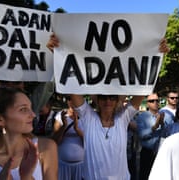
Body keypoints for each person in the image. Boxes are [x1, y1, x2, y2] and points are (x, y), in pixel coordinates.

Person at [47, 33, 169, 179]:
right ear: (97, 100)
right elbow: (72, 85)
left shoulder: (123, 118)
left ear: (117, 100)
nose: (108, 101)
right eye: (103, 97)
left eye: (112, 97)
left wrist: (156, 56)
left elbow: (143, 86)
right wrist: (58, 54)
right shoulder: (88, 116)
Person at [52, 96, 84, 180]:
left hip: (80, 165)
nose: (73, 101)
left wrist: (77, 129)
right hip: (63, 165)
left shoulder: (86, 117)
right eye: (69, 98)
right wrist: (64, 126)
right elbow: (55, 141)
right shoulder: (60, 115)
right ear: (67, 101)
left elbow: (89, 143)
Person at [134, 93, 164, 180]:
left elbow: (166, 134)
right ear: (147, 103)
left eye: (157, 100)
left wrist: (162, 124)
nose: (155, 102)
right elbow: (141, 135)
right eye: (152, 101)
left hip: (161, 152)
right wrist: (155, 126)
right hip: (147, 153)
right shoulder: (142, 117)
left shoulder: (164, 115)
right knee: (145, 176)